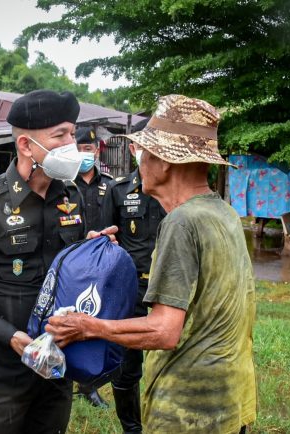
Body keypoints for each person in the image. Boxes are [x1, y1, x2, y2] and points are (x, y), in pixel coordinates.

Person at [47, 95, 257, 433]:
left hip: (190, 407)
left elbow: (164, 330)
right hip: (229, 395)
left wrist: (88, 327)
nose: (139, 162)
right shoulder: (223, 213)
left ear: (166, 162)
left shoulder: (182, 222)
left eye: (144, 153)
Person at [0, 89, 116, 434]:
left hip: (58, 363)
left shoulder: (72, 197)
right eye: (61, 135)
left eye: (72, 132)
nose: (72, 143)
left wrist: (91, 250)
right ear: (26, 146)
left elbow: (68, 267)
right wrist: (9, 335)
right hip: (3, 369)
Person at [99, 119, 166, 432]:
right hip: (133, 291)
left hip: (170, 289)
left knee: (170, 361)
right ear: (132, 148)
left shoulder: (174, 193)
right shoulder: (118, 190)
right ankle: (132, 427)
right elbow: (106, 239)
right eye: (141, 146)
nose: (146, 152)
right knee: (127, 367)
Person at [71, 125, 113, 408]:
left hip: (100, 262)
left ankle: (89, 385)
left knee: (95, 319)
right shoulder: (62, 183)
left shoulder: (109, 185)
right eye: (81, 149)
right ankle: (60, 375)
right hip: (71, 259)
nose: (86, 154)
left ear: (97, 151)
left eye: (90, 149)